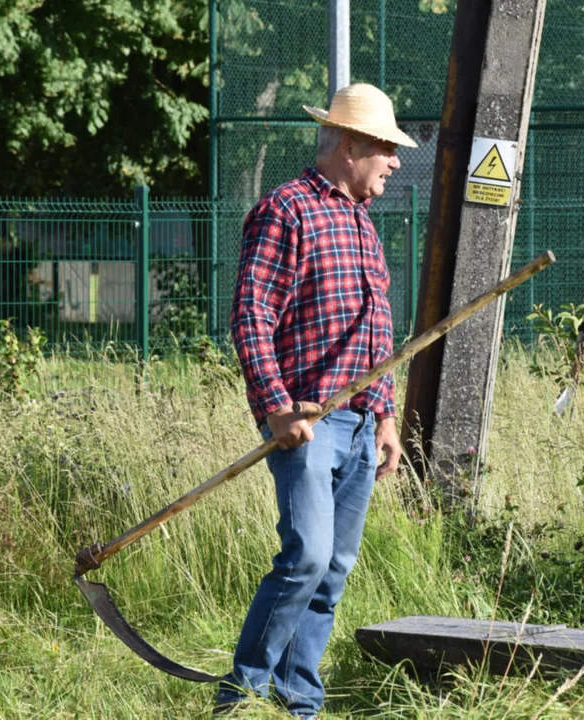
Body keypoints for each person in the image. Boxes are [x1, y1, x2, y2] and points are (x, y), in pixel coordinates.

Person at [216, 83, 417, 718]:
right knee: (306, 557)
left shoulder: (361, 223)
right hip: (308, 421)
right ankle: (241, 697)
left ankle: (299, 701)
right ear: (352, 145)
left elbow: (375, 335)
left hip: (360, 429)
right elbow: (251, 315)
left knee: (333, 572)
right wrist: (276, 406)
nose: (395, 162)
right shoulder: (286, 211)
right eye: (386, 149)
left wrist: (385, 416)